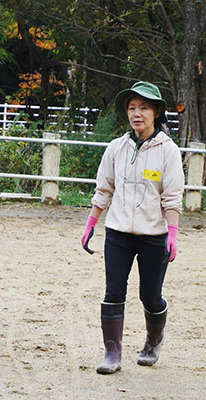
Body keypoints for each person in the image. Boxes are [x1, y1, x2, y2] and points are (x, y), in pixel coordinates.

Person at [80, 81, 184, 374]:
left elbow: (172, 197)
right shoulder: (116, 148)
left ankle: (153, 341)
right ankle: (112, 353)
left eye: (144, 108)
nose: (137, 114)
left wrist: (172, 235)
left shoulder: (168, 152)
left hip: (154, 236)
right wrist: (91, 223)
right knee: (113, 291)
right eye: (132, 108)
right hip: (118, 233)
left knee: (150, 295)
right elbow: (105, 189)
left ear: (156, 112)